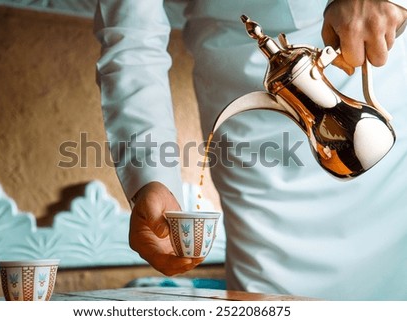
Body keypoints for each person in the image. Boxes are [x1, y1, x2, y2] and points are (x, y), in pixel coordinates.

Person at [94, 0, 407, 300]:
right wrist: (152, 177)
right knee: (270, 294)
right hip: (246, 101)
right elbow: (132, 36)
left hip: (372, 59)